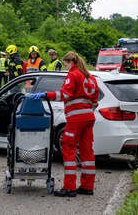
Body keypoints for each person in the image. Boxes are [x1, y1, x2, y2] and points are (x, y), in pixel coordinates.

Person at [30, 51, 99, 197]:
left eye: (66, 64)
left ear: (70, 62)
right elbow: (94, 101)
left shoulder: (73, 75)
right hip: (89, 118)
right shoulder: (90, 78)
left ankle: (69, 188)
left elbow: (65, 94)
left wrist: (45, 95)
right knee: (87, 152)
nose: (66, 67)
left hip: (76, 119)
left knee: (68, 148)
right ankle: (87, 186)